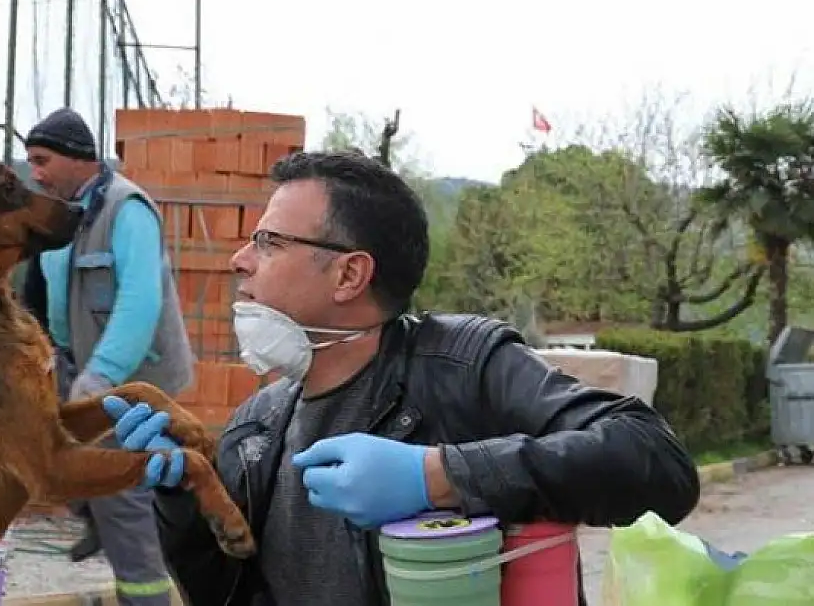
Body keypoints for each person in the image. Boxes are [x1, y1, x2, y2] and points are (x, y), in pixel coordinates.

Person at [100, 150, 702, 606]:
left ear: (348, 275)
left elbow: (656, 463)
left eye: (268, 242)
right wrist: (184, 505)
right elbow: (223, 595)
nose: (240, 260)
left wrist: (436, 475)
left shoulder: (464, 365)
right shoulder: (257, 425)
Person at [18, 107, 192, 606]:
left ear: (79, 159)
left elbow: (140, 303)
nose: (35, 172)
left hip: (134, 376)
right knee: (50, 453)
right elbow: (37, 295)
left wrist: (101, 379)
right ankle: (94, 512)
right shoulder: (59, 214)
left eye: (42, 160)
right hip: (76, 364)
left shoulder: (127, 210)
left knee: (120, 492)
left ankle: (147, 594)